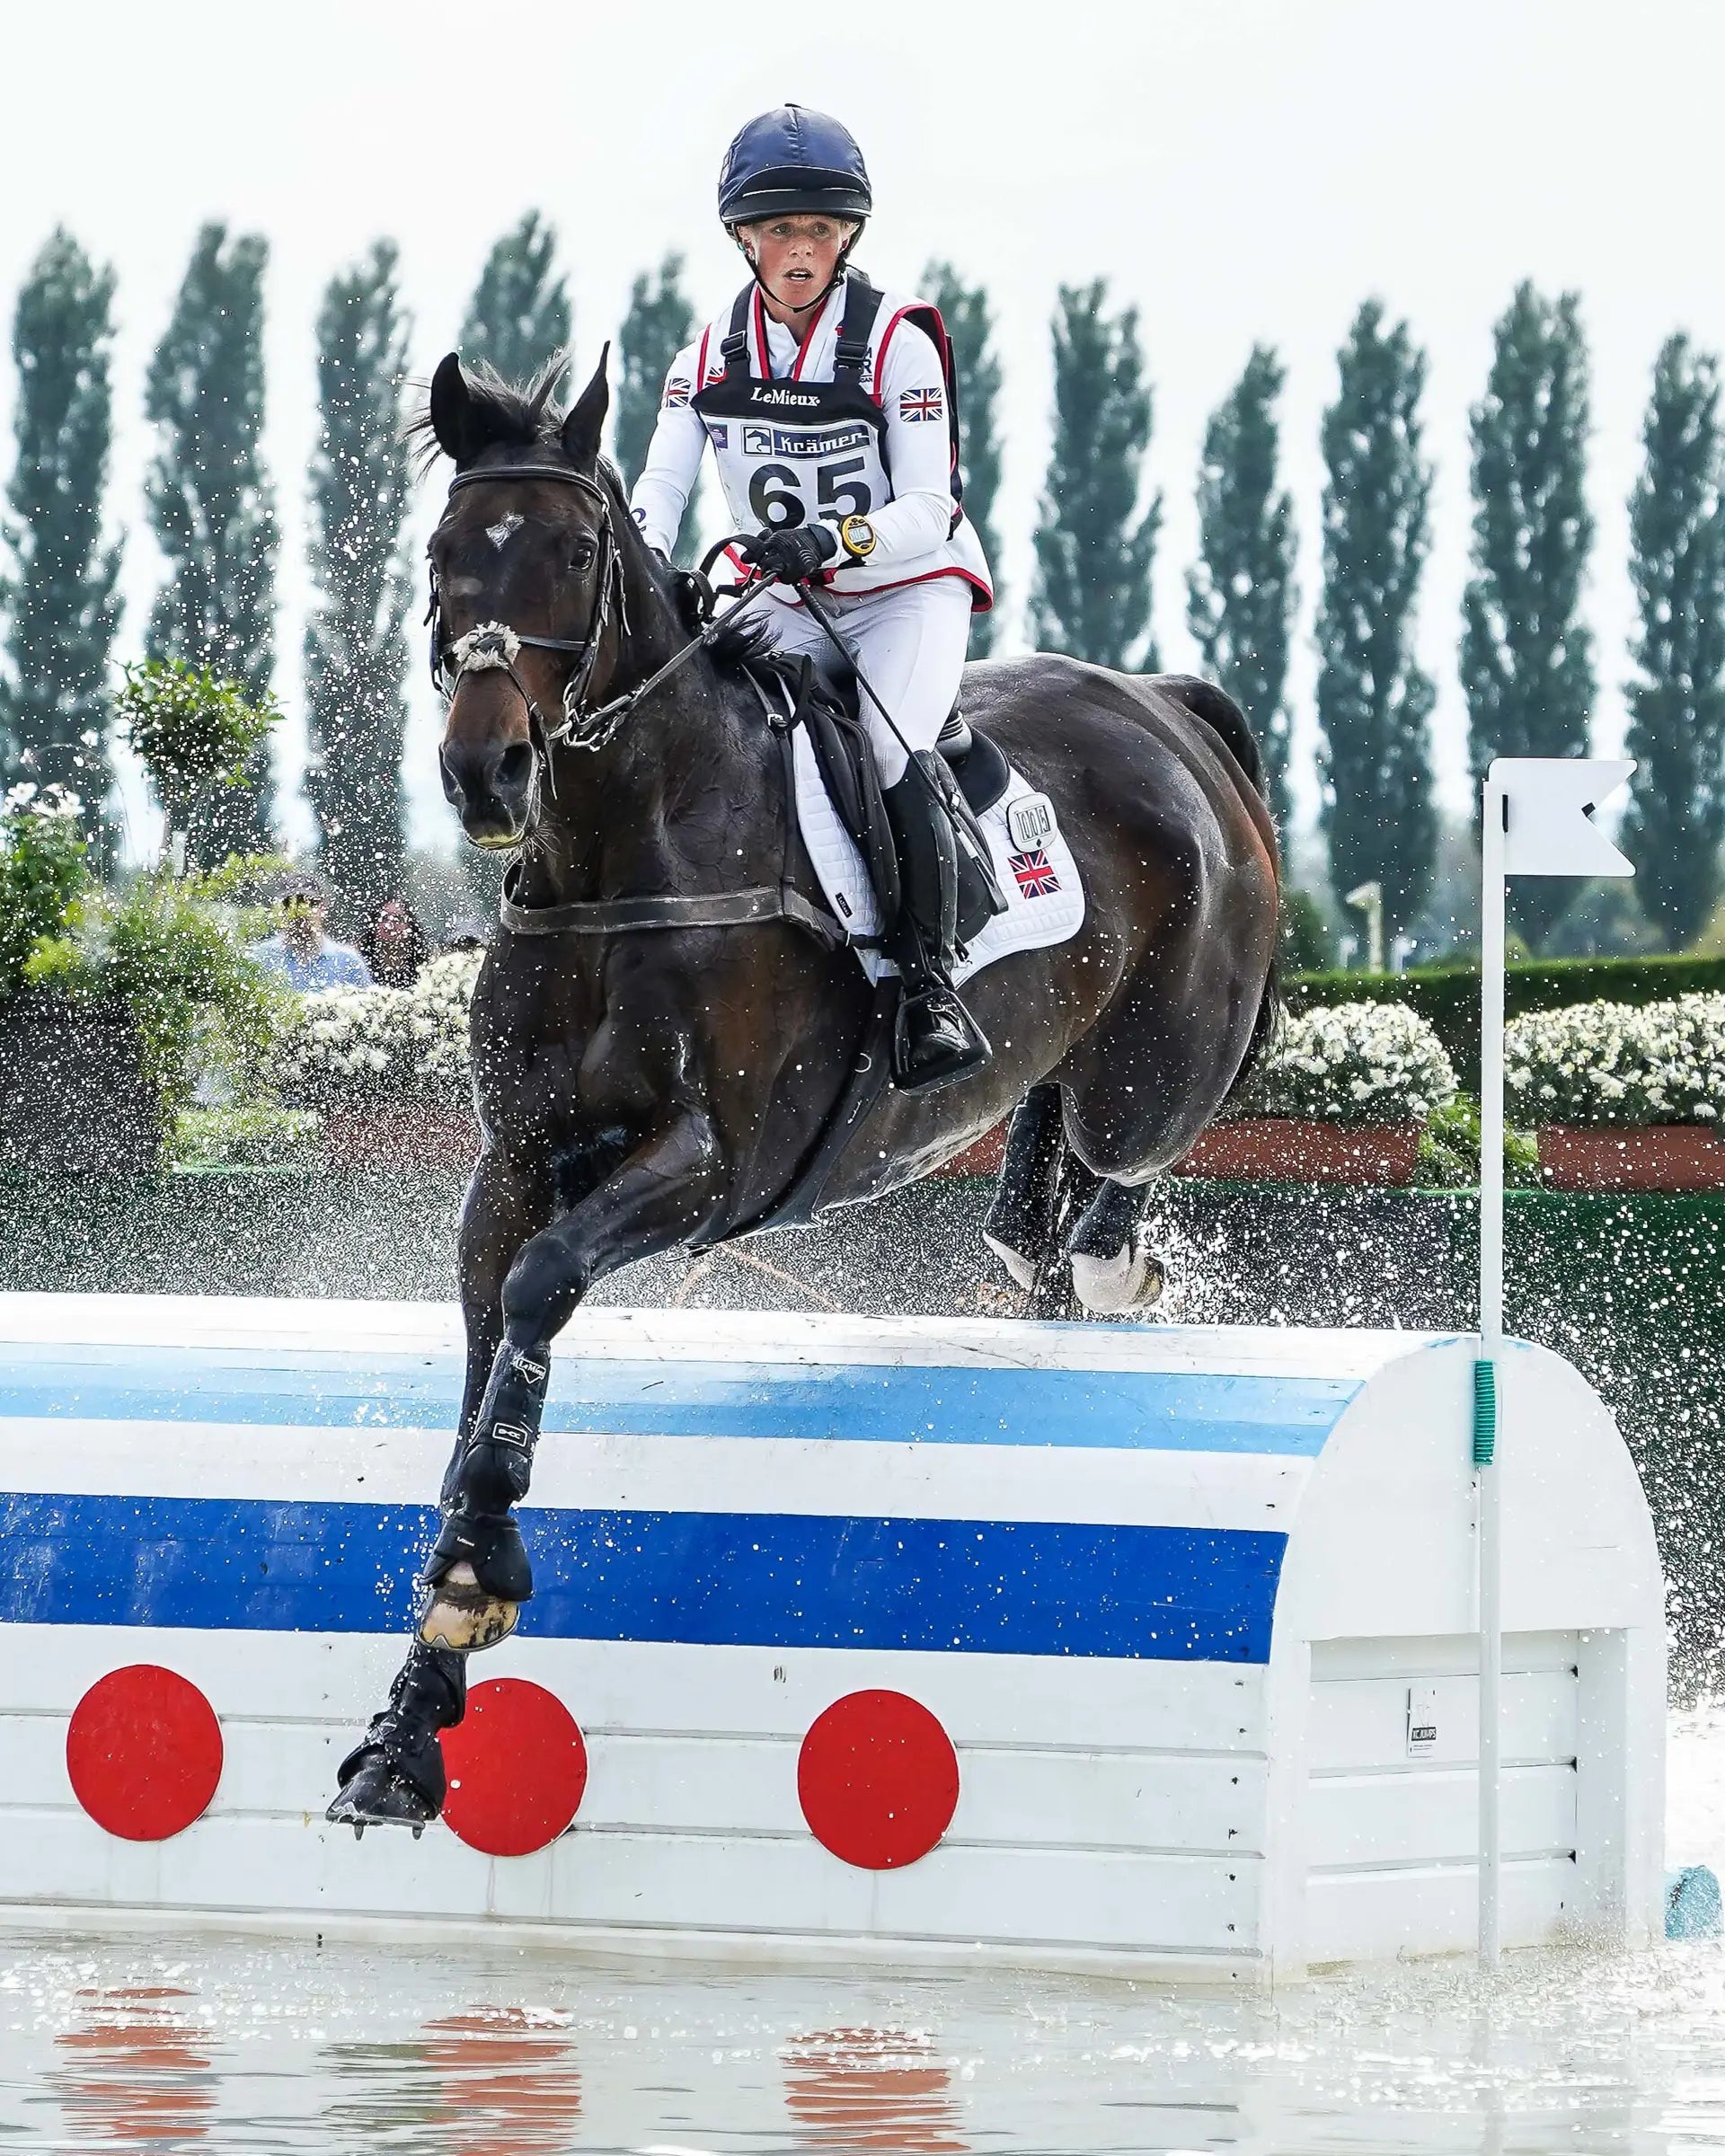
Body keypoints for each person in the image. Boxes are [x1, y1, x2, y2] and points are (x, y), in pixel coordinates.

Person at [630, 104, 994, 1093]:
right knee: (686, 713)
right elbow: (658, 488)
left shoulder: (896, 341)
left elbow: (929, 504)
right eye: (782, 230)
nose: (802, 251)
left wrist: (832, 540)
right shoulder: (706, 355)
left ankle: (928, 987)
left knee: (883, 747)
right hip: (782, 594)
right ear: (743, 237)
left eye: (822, 231)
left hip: (903, 592)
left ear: (848, 237)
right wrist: (653, 561)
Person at [251, 871, 373, 993]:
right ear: (280, 909)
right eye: (289, 903)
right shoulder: (260, 959)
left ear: (323, 908)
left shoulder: (348, 963)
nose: (300, 911)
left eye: (310, 902)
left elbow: (366, 1008)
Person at [359, 897, 430, 988]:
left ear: (410, 927)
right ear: (374, 925)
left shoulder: (425, 967)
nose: (389, 925)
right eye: (384, 918)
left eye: (397, 919)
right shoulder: (361, 962)